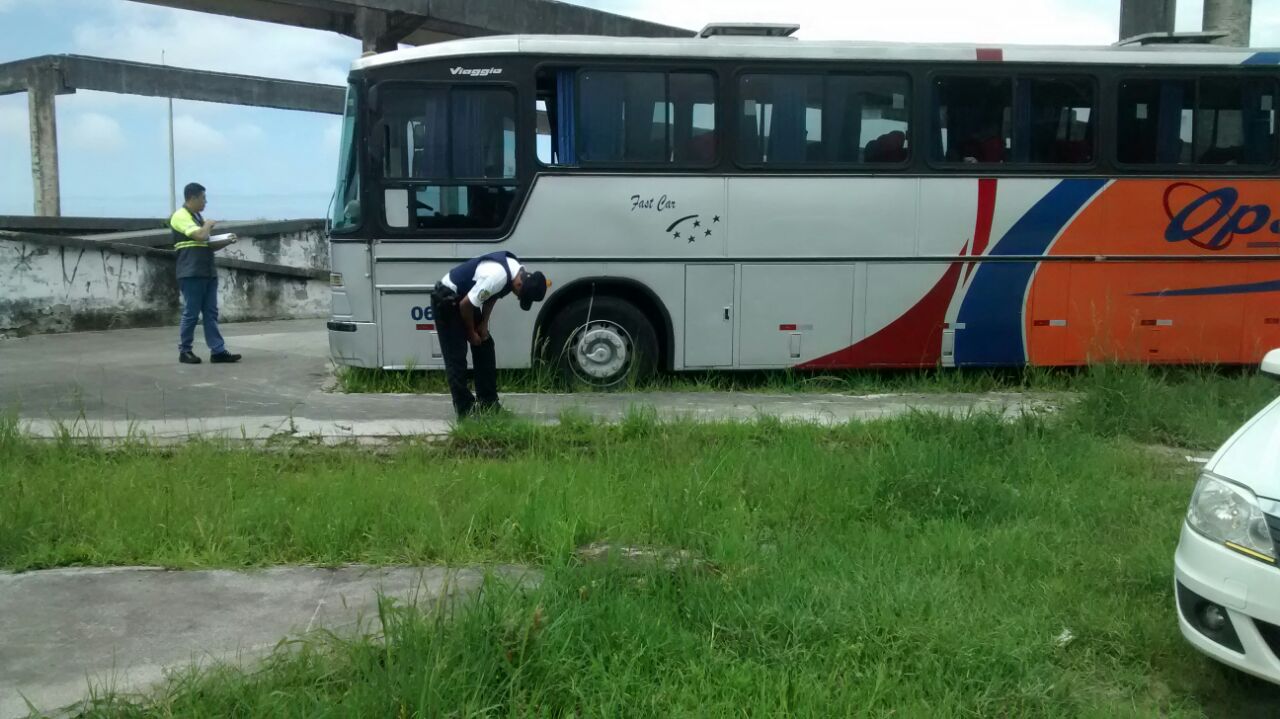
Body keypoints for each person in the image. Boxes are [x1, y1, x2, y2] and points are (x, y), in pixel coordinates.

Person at [431, 251, 548, 419]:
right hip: (447, 299)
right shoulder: (498, 276)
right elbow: (466, 306)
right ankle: (466, 412)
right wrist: (471, 333)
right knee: (456, 356)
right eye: (520, 296)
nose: (517, 299)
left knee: (485, 344)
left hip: (465, 298)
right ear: (520, 285)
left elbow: (492, 296)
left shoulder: (517, 272)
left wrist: (483, 325)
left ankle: (489, 404)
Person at [170, 182, 241, 365]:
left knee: (210, 313)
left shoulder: (197, 217)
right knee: (191, 313)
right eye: (203, 198)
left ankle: (217, 351)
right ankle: (185, 351)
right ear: (192, 198)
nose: (205, 202)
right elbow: (200, 236)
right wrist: (208, 225)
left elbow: (207, 244)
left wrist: (227, 241)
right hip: (191, 272)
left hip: (207, 271)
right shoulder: (181, 216)